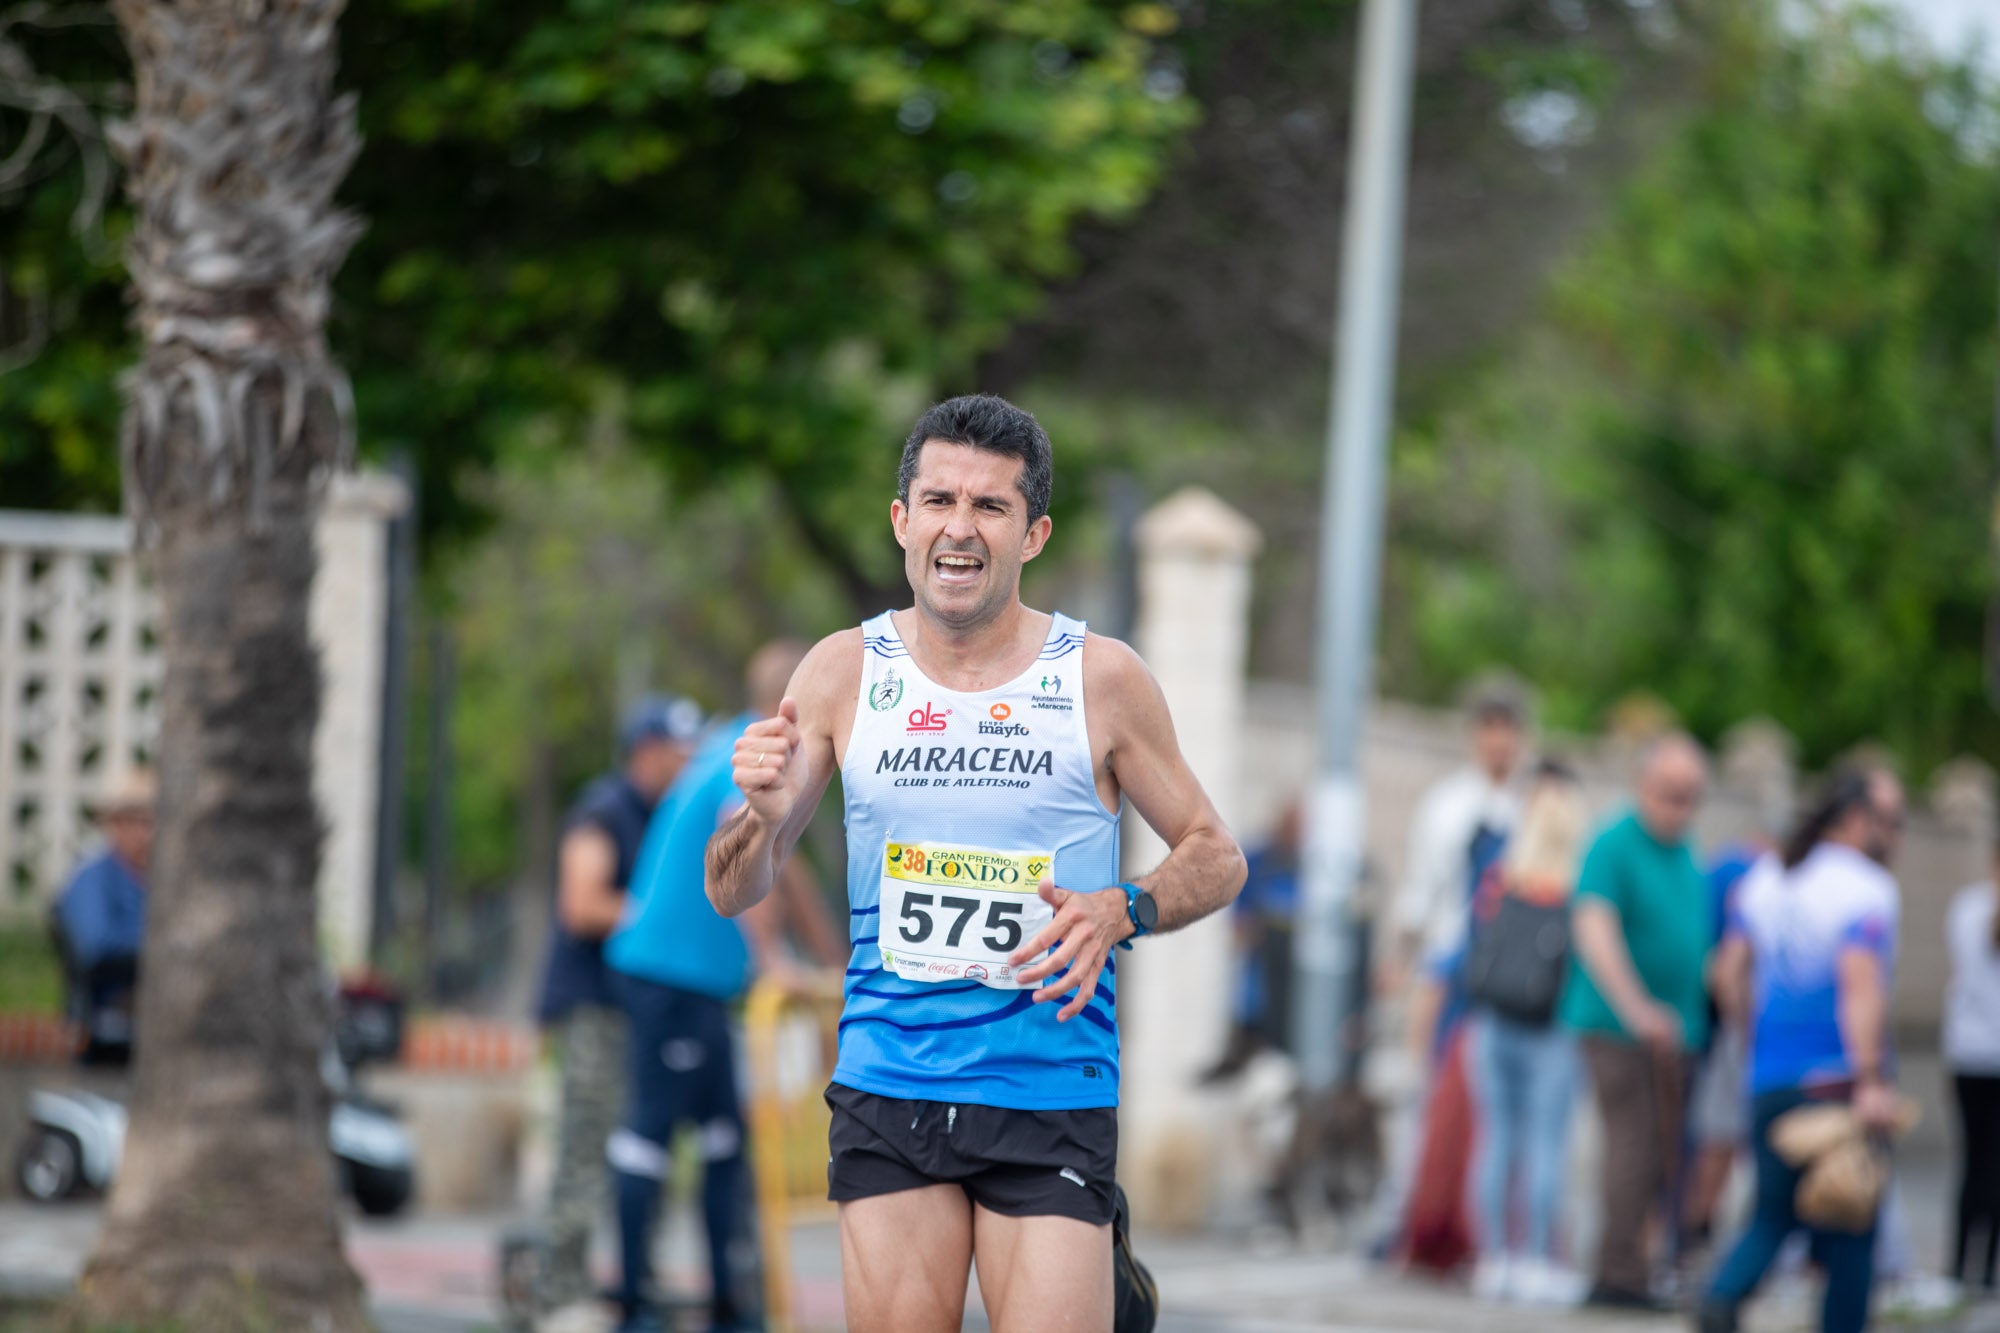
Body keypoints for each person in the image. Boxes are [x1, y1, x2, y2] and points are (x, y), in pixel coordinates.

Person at [705, 393, 1247, 1331]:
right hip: (891, 1077)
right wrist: (756, 818)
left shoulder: (1100, 677)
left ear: (1033, 533)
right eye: (940, 501)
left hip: (1047, 1087)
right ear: (902, 521)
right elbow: (730, 887)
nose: (961, 528)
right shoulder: (841, 671)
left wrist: (1126, 906)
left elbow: (1217, 855)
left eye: (991, 506)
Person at [603, 642, 843, 1333]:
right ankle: (635, 1302)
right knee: (651, 1133)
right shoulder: (756, 754)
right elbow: (742, 842)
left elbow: (787, 869)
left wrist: (839, 961)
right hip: (669, 974)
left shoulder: (733, 745)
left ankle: (726, 1300)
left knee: (720, 1137)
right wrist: (770, 957)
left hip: (692, 976)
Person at [1697, 768, 1907, 1333]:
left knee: (1770, 1216)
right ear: (1858, 820)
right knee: (1851, 1233)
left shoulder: (1768, 877)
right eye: (1889, 822)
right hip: (1835, 1082)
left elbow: (1725, 974)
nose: (1896, 836)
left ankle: (1716, 1305)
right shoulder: (1867, 888)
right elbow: (1859, 987)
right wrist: (1869, 1079)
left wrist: (1756, 1038)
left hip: (1769, 1077)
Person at [533, 697, 704, 1330]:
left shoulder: (671, 814)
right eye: (678, 753)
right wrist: (657, 922)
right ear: (649, 751)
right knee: (584, 1146)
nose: (686, 765)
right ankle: (559, 1290)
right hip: (596, 1010)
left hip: (646, 1011)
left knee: (644, 1150)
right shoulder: (605, 810)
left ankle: (638, 1281)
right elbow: (582, 903)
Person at [1370, 688, 1525, 1265]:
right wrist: (1401, 961)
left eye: (1508, 730)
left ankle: (1480, 1230)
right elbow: (1423, 893)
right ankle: (1412, 1220)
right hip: (1452, 969)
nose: (1499, 742)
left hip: (1507, 977)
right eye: (1491, 729)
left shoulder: (1527, 808)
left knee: (1493, 1109)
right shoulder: (1448, 806)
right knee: (1430, 1096)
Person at [1558, 733, 1712, 1309]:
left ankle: (1639, 1264)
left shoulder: (1687, 849)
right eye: (1670, 793)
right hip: (1618, 1029)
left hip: (1678, 1031)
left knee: (1661, 1152)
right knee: (1632, 1149)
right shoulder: (1613, 843)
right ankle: (1616, 1273)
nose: (1681, 806)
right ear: (1642, 785)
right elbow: (1594, 929)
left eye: (1692, 795)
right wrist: (1637, 1007)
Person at [1464, 762, 1588, 1306]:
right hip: (1551, 1030)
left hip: (1494, 1021)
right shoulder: (1578, 886)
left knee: (1497, 1141)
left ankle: (1494, 1258)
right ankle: (1537, 1258)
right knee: (1545, 1146)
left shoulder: (1503, 874)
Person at [53, 767, 156, 1064]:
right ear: (113, 824)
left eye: (152, 821)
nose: (145, 833)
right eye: (135, 821)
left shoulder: (162, 880)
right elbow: (96, 948)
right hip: (107, 1020)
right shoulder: (91, 878)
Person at [1943, 842, 2000, 1295]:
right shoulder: (1974, 909)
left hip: (1967, 1055)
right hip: (1987, 1054)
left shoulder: (1967, 908)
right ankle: (1985, 1272)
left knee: (1973, 1162)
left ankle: (1961, 1264)